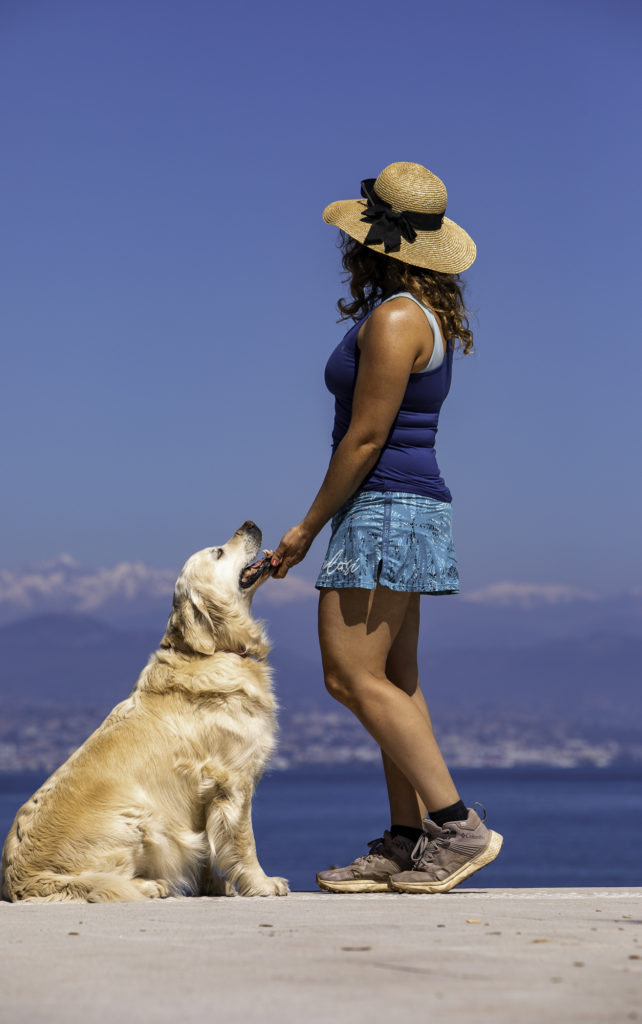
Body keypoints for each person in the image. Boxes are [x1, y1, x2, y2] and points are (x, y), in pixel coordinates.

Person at [271, 162, 503, 894]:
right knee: (394, 681)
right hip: (407, 510)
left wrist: (307, 528)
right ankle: (408, 839)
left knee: (349, 676)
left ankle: (457, 826)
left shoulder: (397, 319)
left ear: (372, 243)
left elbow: (366, 438)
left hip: (383, 511)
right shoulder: (422, 314)